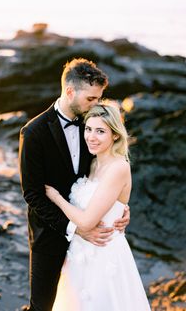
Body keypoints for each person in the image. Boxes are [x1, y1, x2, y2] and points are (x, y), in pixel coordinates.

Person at [19, 58, 130, 311]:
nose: (96, 104)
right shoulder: (33, 132)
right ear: (70, 92)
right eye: (91, 99)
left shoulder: (91, 127)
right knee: (42, 305)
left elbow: (105, 175)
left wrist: (121, 206)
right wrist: (75, 228)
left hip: (92, 242)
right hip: (49, 235)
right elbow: (33, 195)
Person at [46, 103, 151, 311]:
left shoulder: (118, 167)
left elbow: (86, 221)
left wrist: (56, 197)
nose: (91, 137)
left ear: (115, 135)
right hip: (78, 255)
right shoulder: (92, 163)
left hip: (104, 257)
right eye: (88, 129)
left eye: (100, 131)